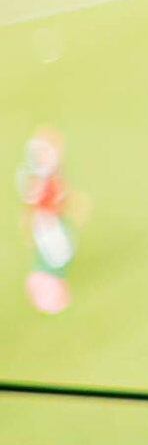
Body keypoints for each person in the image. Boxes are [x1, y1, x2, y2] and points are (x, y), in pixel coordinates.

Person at [18, 130, 76, 315]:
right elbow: (33, 205)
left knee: (62, 252)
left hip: (54, 220)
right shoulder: (40, 181)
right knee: (55, 254)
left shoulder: (53, 176)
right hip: (47, 222)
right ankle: (47, 295)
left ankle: (55, 289)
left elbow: (61, 196)